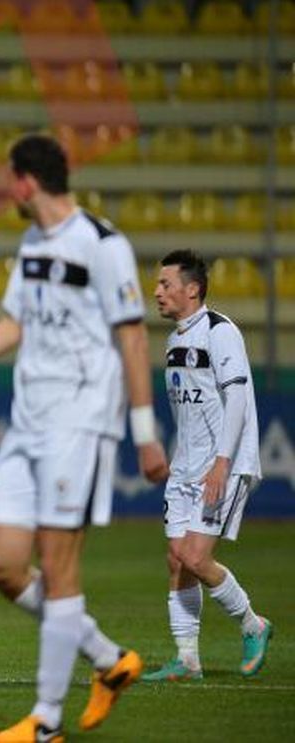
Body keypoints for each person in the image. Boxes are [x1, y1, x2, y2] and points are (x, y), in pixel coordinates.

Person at [0, 134, 169, 741]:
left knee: (59, 569)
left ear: (26, 182)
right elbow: (16, 323)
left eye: (10, 179)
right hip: (26, 422)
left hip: (78, 421)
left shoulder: (103, 245)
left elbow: (133, 337)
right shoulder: (32, 242)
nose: (8, 190)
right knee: (4, 567)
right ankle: (108, 659)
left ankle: (45, 722)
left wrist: (144, 432)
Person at [143, 249, 270, 682]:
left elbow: (236, 399)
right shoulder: (175, 341)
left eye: (166, 284)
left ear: (192, 289)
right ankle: (187, 660)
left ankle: (253, 624)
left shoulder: (220, 331)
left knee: (195, 557)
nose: (157, 292)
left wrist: (221, 462)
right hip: (186, 466)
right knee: (176, 560)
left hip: (222, 464)